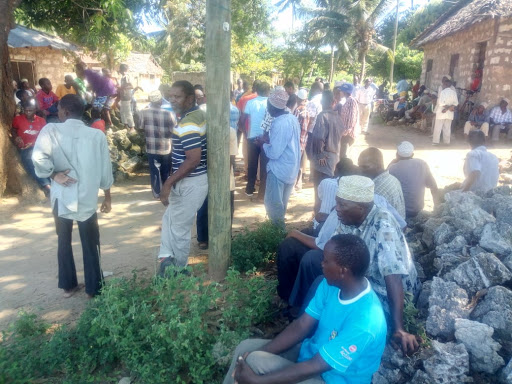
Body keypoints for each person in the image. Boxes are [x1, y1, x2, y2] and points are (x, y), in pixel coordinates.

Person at [282, 176, 420, 356]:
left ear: (361, 207)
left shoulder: (383, 224)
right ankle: (302, 322)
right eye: (337, 203)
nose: (336, 209)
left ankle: (303, 336)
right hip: (358, 278)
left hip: (384, 292)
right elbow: (334, 249)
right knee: (315, 267)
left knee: (322, 283)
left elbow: (392, 278)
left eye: (342, 205)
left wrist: (398, 327)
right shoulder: (348, 218)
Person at [224, 234, 387, 384]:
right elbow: (301, 326)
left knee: (255, 363)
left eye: (325, 260)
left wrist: (257, 381)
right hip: (310, 354)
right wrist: (253, 355)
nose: (321, 264)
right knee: (246, 349)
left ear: (342, 271)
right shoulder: (331, 284)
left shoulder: (366, 320)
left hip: (331, 378)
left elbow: (317, 365)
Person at [32, 94, 113, 298]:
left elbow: (38, 157)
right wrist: (107, 196)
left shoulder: (50, 130)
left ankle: (68, 286)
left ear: (65, 112)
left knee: (64, 241)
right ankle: (95, 288)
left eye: (59, 109)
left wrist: (53, 174)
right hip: (87, 197)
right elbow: (105, 169)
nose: (57, 112)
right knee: (91, 241)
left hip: (62, 195)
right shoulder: (96, 136)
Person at [158, 81, 208, 272]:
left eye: (177, 96)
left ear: (190, 98)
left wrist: (168, 183)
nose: (172, 100)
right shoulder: (196, 115)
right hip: (188, 180)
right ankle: (167, 259)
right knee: (169, 219)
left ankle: (179, 271)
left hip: (191, 181)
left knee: (179, 229)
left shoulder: (188, 123)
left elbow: (193, 159)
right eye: (170, 96)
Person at [196, 102, 239, 249]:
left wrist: (220, 179)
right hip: (204, 175)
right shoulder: (202, 132)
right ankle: (203, 237)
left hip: (225, 177)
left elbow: (231, 159)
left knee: (227, 207)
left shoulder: (230, 132)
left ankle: (225, 235)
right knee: (203, 207)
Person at [261, 89, 300, 226]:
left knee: (274, 207)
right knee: (281, 206)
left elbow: (274, 153)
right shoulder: (292, 118)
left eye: (268, 104)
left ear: (272, 106)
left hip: (279, 170)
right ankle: (278, 234)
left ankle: (277, 238)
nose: (267, 107)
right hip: (291, 168)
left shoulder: (279, 123)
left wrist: (263, 144)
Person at [307, 91, 344, 213]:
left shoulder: (322, 116)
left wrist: (321, 154)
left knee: (319, 190)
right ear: (333, 102)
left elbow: (318, 137)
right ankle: (327, 214)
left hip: (323, 158)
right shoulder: (337, 117)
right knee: (329, 190)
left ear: (322, 102)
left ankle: (318, 217)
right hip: (334, 157)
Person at [138, 90, 175, 199]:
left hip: (151, 147)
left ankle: (157, 192)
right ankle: (166, 191)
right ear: (160, 101)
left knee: (154, 171)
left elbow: (140, 127)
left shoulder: (143, 112)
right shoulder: (168, 114)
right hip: (166, 147)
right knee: (166, 170)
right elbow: (174, 130)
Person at [388, 141, 439, 219]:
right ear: (412, 155)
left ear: (397, 155)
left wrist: (389, 165)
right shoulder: (422, 164)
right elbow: (434, 187)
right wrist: (437, 209)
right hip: (418, 210)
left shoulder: (392, 168)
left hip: (400, 212)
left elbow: (384, 183)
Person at [12, 98, 51, 194]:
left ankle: (51, 182)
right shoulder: (18, 119)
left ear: (35, 110)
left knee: (45, 161)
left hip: (39, 147)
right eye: (26, 110)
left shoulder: (41, 121)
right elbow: (13, 130)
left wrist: (33, 143)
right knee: (30, 160)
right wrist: (16, 137)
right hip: (25, 148)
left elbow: (45, 137)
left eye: (30, 110)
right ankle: (47, 185)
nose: (28, 112)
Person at [358, 147, 405, 219]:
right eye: (359, 167)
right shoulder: (393, 179)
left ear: (378, 166)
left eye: (365, 167)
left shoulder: (376, 191)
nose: (360, 171)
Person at [244, 82, 270, 197]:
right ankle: (263, 191)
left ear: (257, 91)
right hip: (265, 138)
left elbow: (242, 120)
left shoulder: (250, 103)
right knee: (265, 164)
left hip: (252, 137)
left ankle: (249, 188)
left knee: (252, 164)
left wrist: (246, 133)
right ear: (268, 91)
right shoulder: (270, 103)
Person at [75, 62, 117, 127]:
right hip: (110, 91)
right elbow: (93, 86)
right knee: (103, 109)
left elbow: (91, 86)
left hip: (104, 92)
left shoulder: (87, 73)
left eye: (76, 71)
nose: (76, 73)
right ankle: (106, 124)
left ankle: (97, 125)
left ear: (80, 69)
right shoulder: (90, 72)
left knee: (96, 109)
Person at [335, 83, 359, 159]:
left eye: (341, 91)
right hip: (345, 134)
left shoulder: (351, 101)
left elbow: (351, 119)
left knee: (343, 157)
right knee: (341, 155)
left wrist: (344, 133)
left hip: (348, 135)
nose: (340, 92)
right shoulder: (347, 101)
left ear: (345, 92)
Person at [433, 76, 458, 145]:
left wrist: (446, 108)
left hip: (442, 112)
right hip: (449, 113)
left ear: (446, 85)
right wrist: (449, 108)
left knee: (438, 127)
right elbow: (456, 103)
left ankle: (436, 142)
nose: (443, 84)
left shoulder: (443, 92)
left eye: (444, 83)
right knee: (447, 128)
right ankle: (446, 142)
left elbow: (441, 103)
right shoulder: (453, 92)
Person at [294, 89, 310, 191]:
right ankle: (298, 184)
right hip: (302, 142)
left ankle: (296, 184)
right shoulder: (302, 111)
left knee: (296, 164)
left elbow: (303, 130)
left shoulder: (301, 112)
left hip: (298, 142)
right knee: (298, 164)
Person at [118, 63, 140, 132]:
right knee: (122, 111)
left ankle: (132, 127)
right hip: (123, 96)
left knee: (127, 112)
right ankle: (125, 125)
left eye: (120, 70)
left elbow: (132, 86)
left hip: (126, 96)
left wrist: (122, 87)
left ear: (122, 70)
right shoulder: (123, 77)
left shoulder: (127, 77)